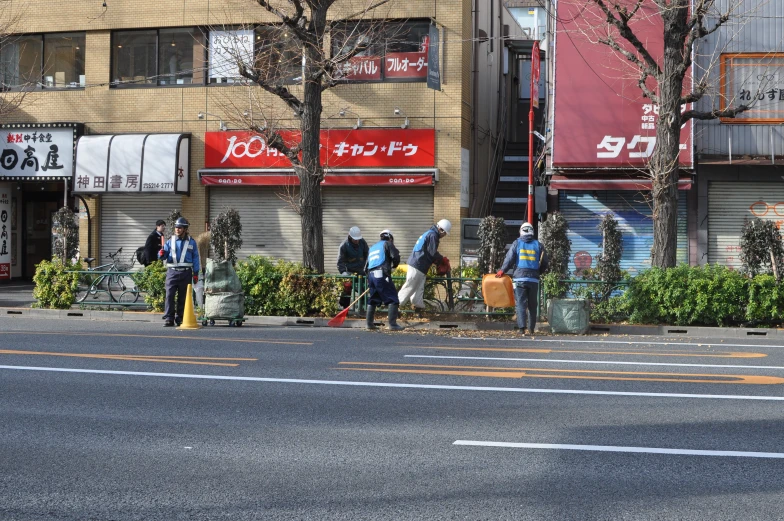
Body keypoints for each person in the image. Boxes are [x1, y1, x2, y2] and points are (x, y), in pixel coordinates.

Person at [497, 222, 548, 335]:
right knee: (532, 305)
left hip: (519, 279)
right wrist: (538, 272)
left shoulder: (517, 243)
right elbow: (545, 262)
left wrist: (502, 271)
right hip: (533, 280)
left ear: (521, 231)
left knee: (521, 304)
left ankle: (521, 329)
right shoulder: (538, 245)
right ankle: (531, 328)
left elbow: (509, 259)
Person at [397, 219, 451, 310]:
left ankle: (418, 307)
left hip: (419, 265)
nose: (444, 236)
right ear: (441, 230)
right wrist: (442, 259)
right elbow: (432, 253)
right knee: (410, 286)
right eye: (444, 233)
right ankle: (394, 306)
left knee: (419, 288)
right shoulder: (433, 235)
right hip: (418, 265)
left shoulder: (429, 233)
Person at [159, 217, 201, 327]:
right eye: (176, 227)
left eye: (180, 227)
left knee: (183, 297)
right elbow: (163, 256)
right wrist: (161, 254)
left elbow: (196, 258)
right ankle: (169, 318)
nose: (177, 229)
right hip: (172, 272)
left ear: (185, 229)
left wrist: (196, 273)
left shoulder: (192, 242)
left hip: (186, 273)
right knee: (169, 295)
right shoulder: (170, 241)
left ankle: (180, 318)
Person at [365, 229, 403, 331]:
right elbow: (395, 256)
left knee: (374, 298)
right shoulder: (388, 244)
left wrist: (370, 278)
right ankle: (392, 324)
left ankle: (369, 324)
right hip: (381, 274)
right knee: (392, 298)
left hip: (371, 275)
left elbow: (366, 266)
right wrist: (394, 265)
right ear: (390, 237)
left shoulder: (373, 247)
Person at [337, 226, 369, 309]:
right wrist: (343, 272)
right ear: (350, 237)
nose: (357, 241)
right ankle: (345, 307)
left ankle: (362, 308)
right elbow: (340, 261)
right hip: (349, 271)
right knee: (347, 288)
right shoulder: (344, 245)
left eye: (358, 239)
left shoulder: (362, 242)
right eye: (355, 239)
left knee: (363, 289)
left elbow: (367, 254)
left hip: (361, 270)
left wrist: (367, 268)